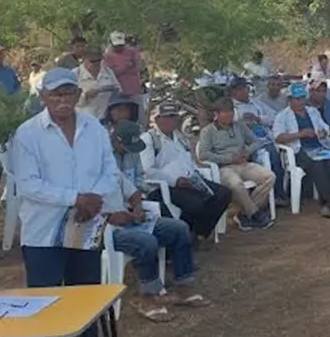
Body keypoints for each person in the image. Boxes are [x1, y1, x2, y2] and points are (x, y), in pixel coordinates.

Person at [10, 69, 119, 337]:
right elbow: (29, 184)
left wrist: (93, 200)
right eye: (55, 94)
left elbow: (111, 171)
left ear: (78, 94)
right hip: (43, 233)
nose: (62, 100)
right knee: (45, 303)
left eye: (68, 93)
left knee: (84, 301)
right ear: (42, 97)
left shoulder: (94, 127)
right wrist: (76, 199)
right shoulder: (27, 133)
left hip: (85, 227)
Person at [102, 120, 210, 322]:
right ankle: (148, 298)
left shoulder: (111, 166)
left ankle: (183, 288)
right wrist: (111, 216)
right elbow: (81, 210)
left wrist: (138, 206)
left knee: (179, 229)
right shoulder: (89, 170)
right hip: (104, 228)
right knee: (146, 242)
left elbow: (132, 189)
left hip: (128, 217)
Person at [141, 102, 233, 242]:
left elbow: (188, 160)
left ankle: (198, 232)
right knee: (196, 203)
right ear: (158, 119)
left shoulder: (180, 137)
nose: (171, 120)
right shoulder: (149, 139)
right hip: (166, 185)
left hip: (190, 179)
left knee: (223, 194)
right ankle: (188, 234)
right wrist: (175, 181)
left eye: (174, 117)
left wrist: (197, 177)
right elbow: (148, 170)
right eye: (167, 117)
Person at [196, 98, 276, 230]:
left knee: (269, 177)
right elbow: (203, 155)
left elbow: (256, 141)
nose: (229, 115)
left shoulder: (239, 126)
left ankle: (245, 214)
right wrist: (229, 158)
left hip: (243, 163)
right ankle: (254, 214)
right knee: (236, 184)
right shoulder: (208, 131)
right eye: (225, 112)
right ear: (217, 114)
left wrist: (247, 151)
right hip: (224, 167)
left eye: (231, 111)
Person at [273, 83, 330, 217]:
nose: (300, 102)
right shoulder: (282, 116)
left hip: (317, 146)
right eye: (297, 99)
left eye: (302, 98)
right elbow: (278, 137)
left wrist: (323, 132)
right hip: (298, 150)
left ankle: (328, 203)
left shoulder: (312, 112)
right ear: (290, 100)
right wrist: (299, 134)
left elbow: (325, 127)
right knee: (316, 165)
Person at [104, 31, 147, 126]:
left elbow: (139, 66)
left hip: (133, 89)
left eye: (121, 45)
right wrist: (127, 66)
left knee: (139, 115)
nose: (119, 47)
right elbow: (111, 73)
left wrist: (121, 69)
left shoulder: (132, 51)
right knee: (118, 117)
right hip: (117, 92)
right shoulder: (107, 55)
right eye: (116, 45)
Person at [75, 45, 120, 118]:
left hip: (105, 117)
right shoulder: (75, 74)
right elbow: (69, 100)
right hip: (84, 118)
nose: (96, 63)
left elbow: (118, 90)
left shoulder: (108, 72)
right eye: (93, 61)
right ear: (84, 59)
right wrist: (85, 96)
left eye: (99, 60)